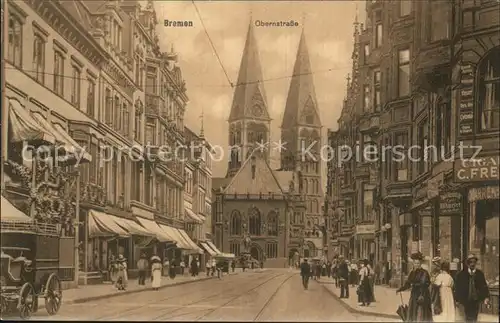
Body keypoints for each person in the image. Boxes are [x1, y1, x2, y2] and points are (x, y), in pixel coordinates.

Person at [396, 252, 433, 322]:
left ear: (420, 263)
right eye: (415, 263)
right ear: (413, 263)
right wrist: (400, 289)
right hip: (414, 294)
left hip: (423, 294)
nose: (417, 265)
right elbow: (408, 284)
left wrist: (422, 294)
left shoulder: (424, 272)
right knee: (413, 311)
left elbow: (424, 285)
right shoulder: (412, 272)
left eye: (418, 263)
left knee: (421, 313)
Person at [454, 254, 490, 323]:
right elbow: (457, 288)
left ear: (476, 263)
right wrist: (457, 300)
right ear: (467, 263)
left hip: (476, 300)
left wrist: (486, 297)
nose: (472, 264)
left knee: (474, 317)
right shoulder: (461, 275)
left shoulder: (480, 274)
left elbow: (484, 286)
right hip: (465, 300)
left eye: (474, 262)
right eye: (470, 262)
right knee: (467, 318)